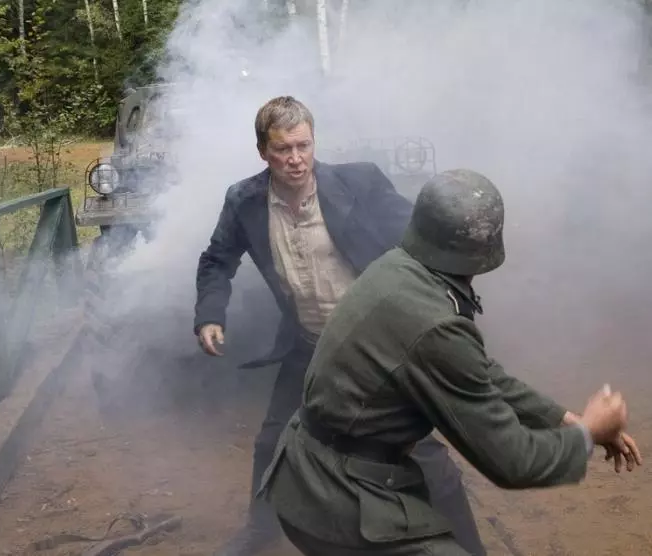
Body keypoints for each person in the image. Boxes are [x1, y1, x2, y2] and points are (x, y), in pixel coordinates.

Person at [258, 168, 643, 556]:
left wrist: (561, 418)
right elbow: (514, 461)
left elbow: (477, 370)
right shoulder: (436, 324)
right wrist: (588, 433)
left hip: (305, 474)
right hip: (339, 500)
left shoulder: (397, 268)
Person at [194, 97, 488, 556]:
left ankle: (470, 547)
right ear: (262, 152)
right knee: (274, 440)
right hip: (310, 344)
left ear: (314, 142)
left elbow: (420, 239)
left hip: (375, 346)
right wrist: (211, 313)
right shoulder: (244, 201)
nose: (295, 159)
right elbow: (217, 259)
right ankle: (262, 527)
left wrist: (448, 294)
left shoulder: (359, 182)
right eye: (282, 149)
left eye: (303, 146)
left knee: (423, 454)